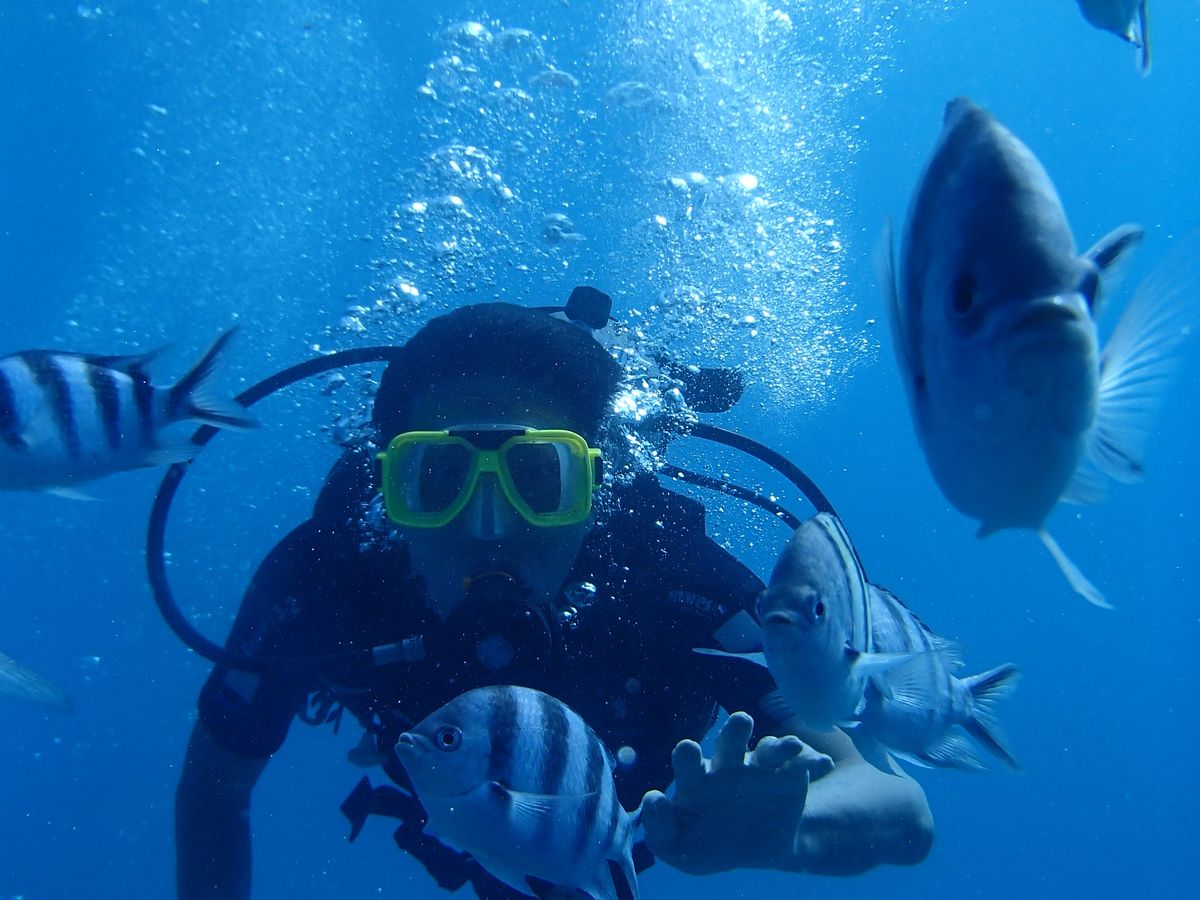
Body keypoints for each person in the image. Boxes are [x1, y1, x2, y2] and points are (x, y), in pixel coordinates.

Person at [175, 297, 933, 899]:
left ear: (596, 487)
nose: (488, 525)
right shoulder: (324, 583)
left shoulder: (666, 577)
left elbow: (900, 809)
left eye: (539, 479)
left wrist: (792, 832)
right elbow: (214, 794)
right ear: (386, 491)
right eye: (436, 480)